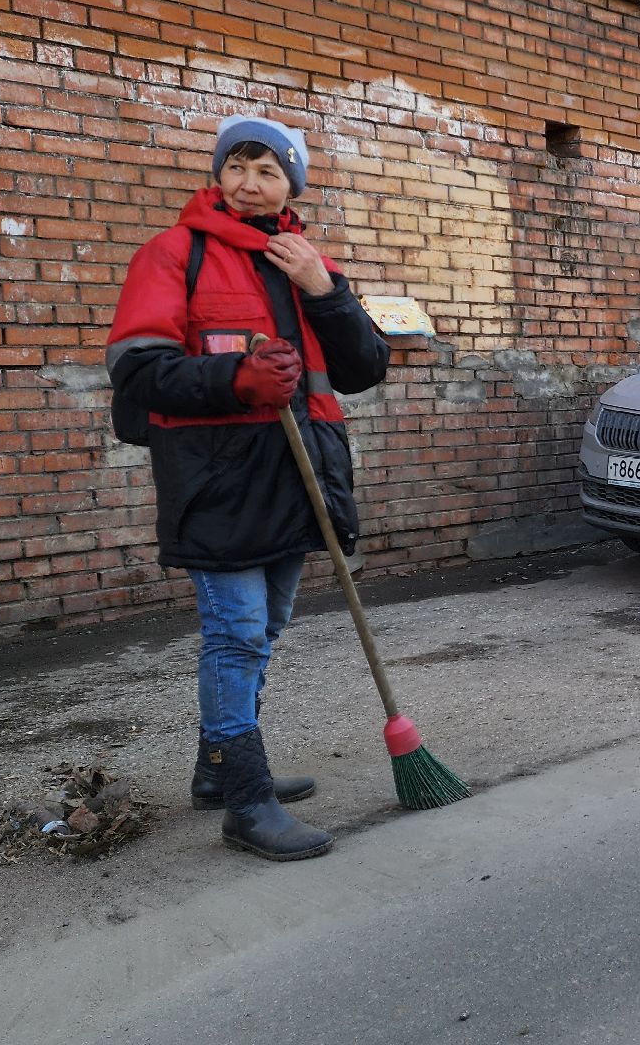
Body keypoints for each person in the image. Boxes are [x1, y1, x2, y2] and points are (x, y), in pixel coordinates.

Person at [105, 116, 391, 861]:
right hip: (218, 482)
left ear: (290, 184)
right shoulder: (174, 254)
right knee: (233, 639)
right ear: (218, 175)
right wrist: (236, 378)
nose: (249, 181)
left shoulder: (304, 261)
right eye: (237, 165)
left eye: (267, 170)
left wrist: (324, 290)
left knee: (263, 631)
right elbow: (137, 371)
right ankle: (245, 801)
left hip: (300, 480)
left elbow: (363, 369)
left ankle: (215, 768)